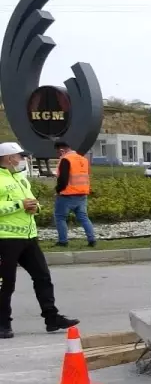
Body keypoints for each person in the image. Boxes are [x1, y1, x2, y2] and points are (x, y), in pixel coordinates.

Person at [0, 142, 78, 340]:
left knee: (43, 276)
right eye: (19, 156)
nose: (22, 160)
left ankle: (52, 318)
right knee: (6, 283)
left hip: (28, 236)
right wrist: (19, 204)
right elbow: (15, 204)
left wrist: (37, 208)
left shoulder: (20, 178)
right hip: (6, 238)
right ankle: (3, 324)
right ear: (9, 158)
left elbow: (31, 200)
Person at [52, 140, 97, 247]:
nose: (58, 155)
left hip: (67, 194)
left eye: (58, 152)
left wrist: (58, 190)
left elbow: (63, 179)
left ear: (62, 150)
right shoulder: (83, 159)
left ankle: (63, 241)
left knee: (60, 217)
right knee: (83, 217)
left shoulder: (66, 159)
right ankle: (92, 240)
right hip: (82, 194)